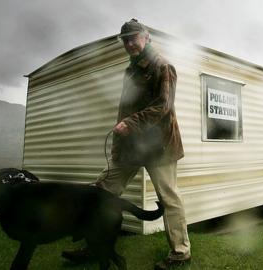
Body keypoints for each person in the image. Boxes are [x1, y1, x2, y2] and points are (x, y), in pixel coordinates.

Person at [62, 19, 191, 269]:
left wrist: (131, 123)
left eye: (134, 38)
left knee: (169, 197)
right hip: (132, 146)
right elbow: (125, 109)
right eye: (125, 40)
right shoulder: (130, 70)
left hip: (160, 146)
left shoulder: (163, 66)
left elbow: (163, 107)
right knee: (103, 190)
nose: (129, 43)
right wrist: (120, 141)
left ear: (147, 37)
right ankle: (95, 244)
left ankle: (181, 252)